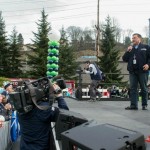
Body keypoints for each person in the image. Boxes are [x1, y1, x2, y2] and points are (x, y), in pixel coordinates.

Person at [18, 83, 69, 150]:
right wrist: (59, 96)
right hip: (42, 147)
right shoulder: (44, 110)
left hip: (25, 147)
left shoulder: (20, 110)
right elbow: (65, 114)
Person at [122, 33, 150, 110]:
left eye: (134, 38)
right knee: (133, 88)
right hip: (133, 72)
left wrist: (148, 65)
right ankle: (133, 105)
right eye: (132, 38)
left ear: (139, 39)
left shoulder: (146, 47)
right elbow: (124, 59)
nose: (133, 39)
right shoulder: (131, 48)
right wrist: (128, 51)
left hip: (142, 71)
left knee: (144, 88)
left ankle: (144, 104)